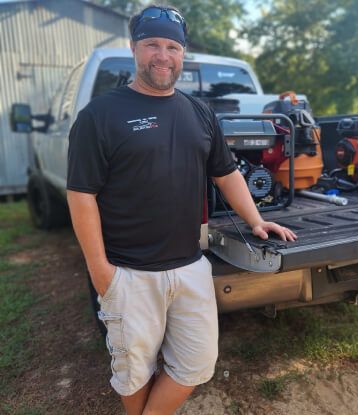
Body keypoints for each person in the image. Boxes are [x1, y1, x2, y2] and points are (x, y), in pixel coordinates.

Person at [66, 4, 296, 415]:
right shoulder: (100, 115)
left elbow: (226, 174)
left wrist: (257, 220)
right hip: (129, 273)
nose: (163, 55)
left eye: (172, 46)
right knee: (134, 372)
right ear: (134, 49)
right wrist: (100, 270)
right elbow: (81, 195)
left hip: (191, 268)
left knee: (196, 365)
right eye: (152, 44)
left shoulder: (198, 112)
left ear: (182, 55)